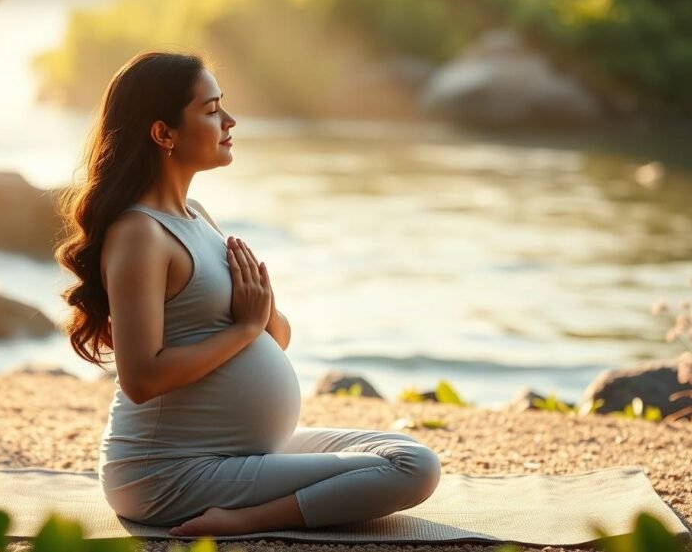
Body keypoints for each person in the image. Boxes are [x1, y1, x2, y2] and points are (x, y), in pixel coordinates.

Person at [55, 50, 441, 537]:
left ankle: (253, 503)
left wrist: (262, 310)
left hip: (245, 454)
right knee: (415, 469)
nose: (229, 121)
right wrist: (244, 328)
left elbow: (273, 337)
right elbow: (142, 377)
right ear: (163, 133)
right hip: (169, 474)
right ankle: (243, 522)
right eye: (211, 109)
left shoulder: (196, 215)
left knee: (401, 452)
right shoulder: (140, 234)